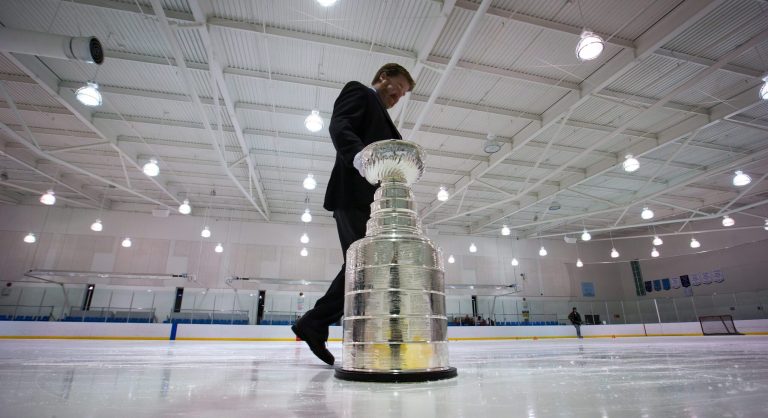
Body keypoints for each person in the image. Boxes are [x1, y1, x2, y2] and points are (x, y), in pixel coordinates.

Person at [291, 63, 415, 365]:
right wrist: (359, 156)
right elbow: (340, 124)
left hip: (374, 202)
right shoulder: (359, 91)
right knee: (366, 266)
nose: (399, 95)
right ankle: (323, 324)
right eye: (398, 85)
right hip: (353, 195)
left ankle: (319, 323)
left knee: (365, 267)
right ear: (384, 76)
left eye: (404, 94)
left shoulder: (386, 122)